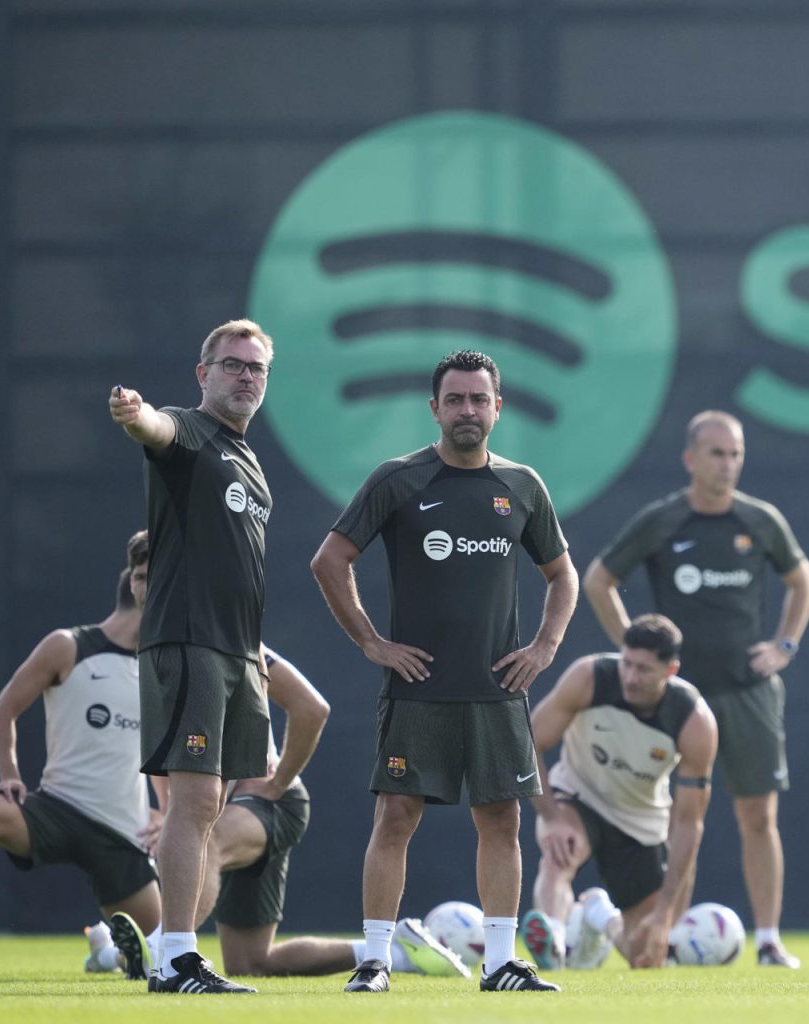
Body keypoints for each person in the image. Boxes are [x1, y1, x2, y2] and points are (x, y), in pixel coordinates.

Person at [311, 349, 578, 994]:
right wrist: (374, 643)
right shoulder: (398, 479)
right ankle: (374, 962)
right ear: (434, 409)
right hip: (419, 691)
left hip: (495, 692)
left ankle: (501, 964)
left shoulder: (521, 486)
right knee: (396, 815)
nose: (467, 410)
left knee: (503, 822)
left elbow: (563, 574)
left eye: (478, 399)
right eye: (454, 400)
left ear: (497, 408)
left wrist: (543, 648)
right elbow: (330, 560)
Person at [583, 411, 809, 968]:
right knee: (669, 819)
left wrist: (783, 646)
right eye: (716, 453)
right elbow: (597, 580)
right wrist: (638, 656)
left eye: (735, 453)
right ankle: (659, 935)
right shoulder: (663, 519)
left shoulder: (759, 520)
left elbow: (802, 578)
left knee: (758, 816)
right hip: (678, 699)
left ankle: (768, 941)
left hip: (747, 691)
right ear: (690, 459)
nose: (728, 463)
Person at [106, 650, 471, 983]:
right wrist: (170, 812)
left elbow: (312, 708)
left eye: (147, 575)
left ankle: (159, 949)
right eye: (140, 577)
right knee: (251, 961)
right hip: (222, 809)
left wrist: (278, 782)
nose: (147, 586)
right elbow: (163, 750)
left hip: (271, 803)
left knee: (210, 842)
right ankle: (397, 953)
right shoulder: (156, 655)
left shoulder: (235, 641)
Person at [108, 319, 276, 994]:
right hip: (190, 643)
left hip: (238, 654)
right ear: (203, 372)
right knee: (196, 799)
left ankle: (171, 953)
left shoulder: (249, 461)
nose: (245, 376)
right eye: (232, 365)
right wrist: (134, 414)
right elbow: (155, 428)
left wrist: (255, 653)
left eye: (256, 368)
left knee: (211, 805)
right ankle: (177, 957)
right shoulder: (189, 431)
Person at [0, 532, 158, 977]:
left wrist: (168, 812)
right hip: (57, 809)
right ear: (134, 584)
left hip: (123, 833)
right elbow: (2, 712)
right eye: (150, 577)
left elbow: (172, 750)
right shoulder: (68, 646)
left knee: (161, 954)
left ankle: (107, 951)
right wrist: (9, 774)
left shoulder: (164, 666)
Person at [523, 614, 719, 971]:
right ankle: (553, 937)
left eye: (643, 670)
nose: (630, 677)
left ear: (670, 670)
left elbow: (690, 824)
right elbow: (528, 742)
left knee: (645, 956)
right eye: (626, 663)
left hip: (642, 822)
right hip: (578, 797)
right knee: (558, 857)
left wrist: (663, 917)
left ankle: (599, 917)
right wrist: (551, 818)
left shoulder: (694, 721)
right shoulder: (589, 677)